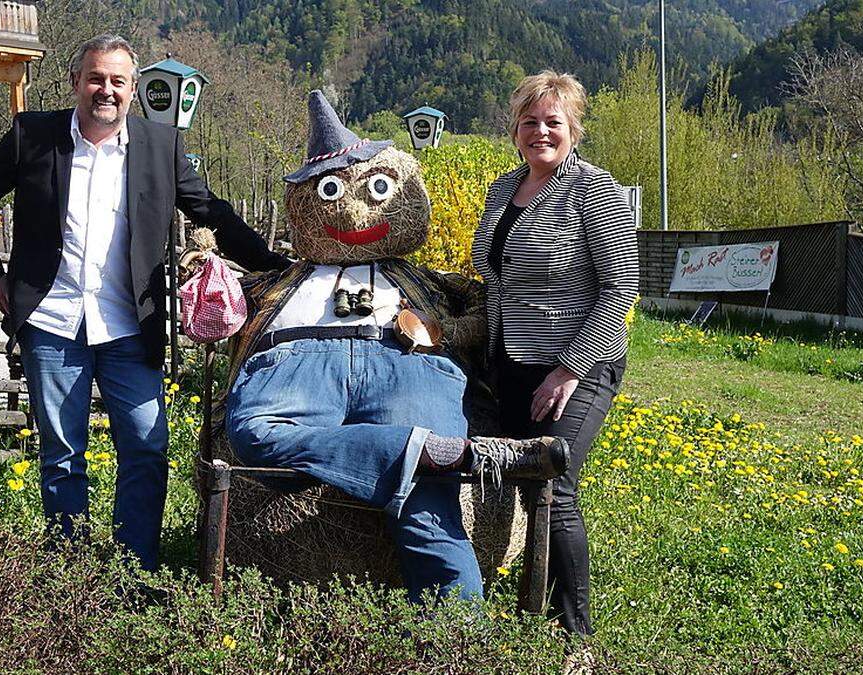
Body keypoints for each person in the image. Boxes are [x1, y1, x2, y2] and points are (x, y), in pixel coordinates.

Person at [0, 34, 287, 569]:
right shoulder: (32, 137)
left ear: (133, 89)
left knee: (147, 447)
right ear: (75, 83)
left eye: (117, 81)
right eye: (95, 78)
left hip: (130, 324)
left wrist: (273, 262)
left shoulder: (159, 146)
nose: (104, 90)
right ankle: (74, 571)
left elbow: (210, 210)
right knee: (62, 455)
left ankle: (136, 569)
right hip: (53, 322)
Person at [224, 90, 570, 603]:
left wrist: (446, 333)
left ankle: (457, 635)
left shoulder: (422, 281)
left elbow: (483, 304)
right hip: (294, 363)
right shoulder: (280, 280)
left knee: (430, 504)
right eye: (330, 191)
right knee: (251, 432)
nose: (355, 212)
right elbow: (222, 312)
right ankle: (419, 451)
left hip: (404, 362)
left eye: (378, 189)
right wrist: (205, 278)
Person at [471, 71, 639, 637]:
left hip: (578, 359)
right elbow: (492, 276)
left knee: (553, 484)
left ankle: (577, 634)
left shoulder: (593, 190)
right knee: (524, 483)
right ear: (514, 128)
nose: (540, 132)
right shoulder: (503, 189)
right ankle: (532, 609)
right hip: (512, 359)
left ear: (574, 129)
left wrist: (571, 369)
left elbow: (620, 286)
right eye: (529, 122)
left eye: (553, 122)